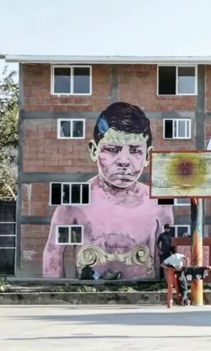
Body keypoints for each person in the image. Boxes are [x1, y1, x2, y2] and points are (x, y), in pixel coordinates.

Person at [42, 102, 174, 279]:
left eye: (135, 150)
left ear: (148, 156)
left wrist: (166, 295)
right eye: (113, 150)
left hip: (143, 302)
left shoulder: (158, 201)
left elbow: (167, 254)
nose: (124, 161)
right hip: (89, 301)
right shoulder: (75, 200)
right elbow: (54, 254)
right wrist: (57, 298)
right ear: (93, 150)